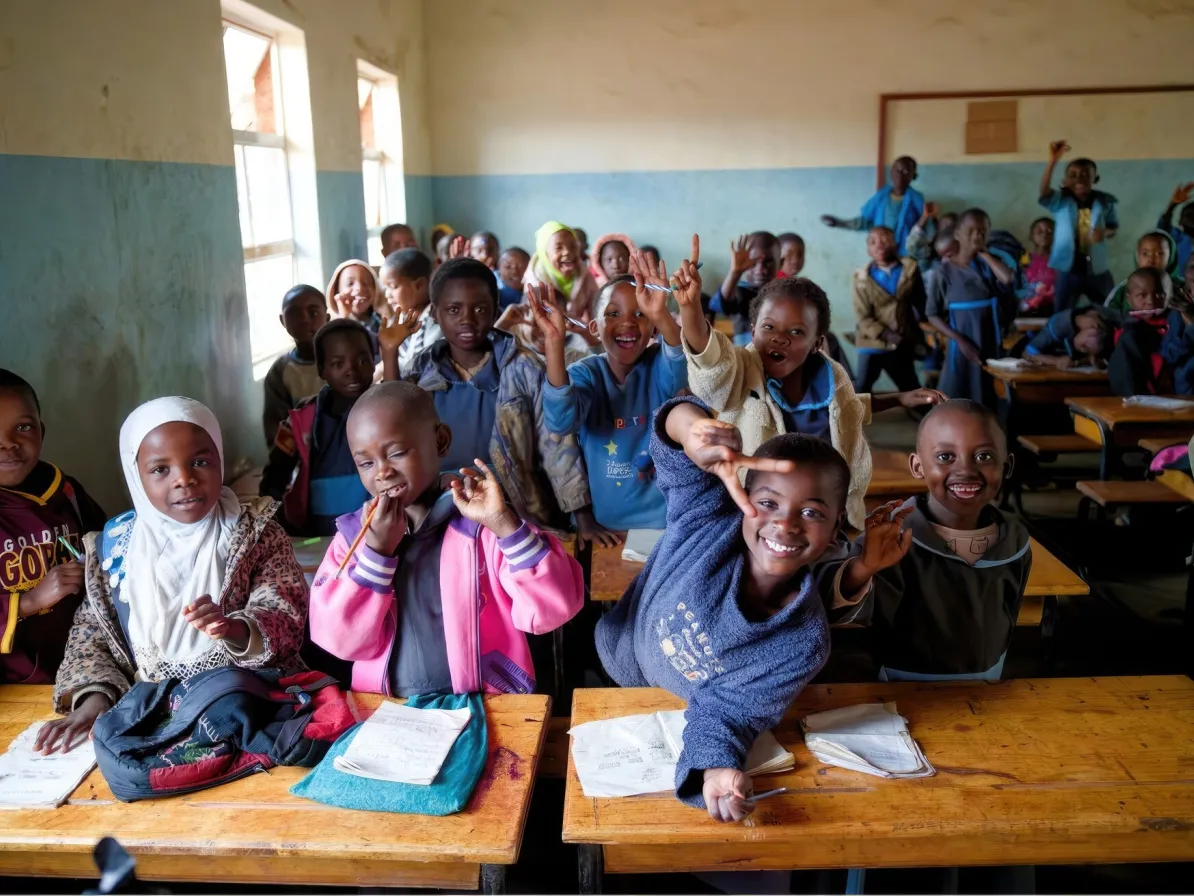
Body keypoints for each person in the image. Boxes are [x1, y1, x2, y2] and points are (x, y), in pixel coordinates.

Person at [596, 394, 887, 820]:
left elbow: (730, 711)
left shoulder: (803, 642)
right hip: (619, 667)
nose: (785, 524)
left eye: (811, 512)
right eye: (768, 503)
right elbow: (674, 438)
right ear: (741, 495)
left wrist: (717, 768)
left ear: (837, 526)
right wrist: (691, 426)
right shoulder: (706, 516)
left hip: (677, 724)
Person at [37, 397, 307, 753]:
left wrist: (235, 628)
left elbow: (285, 609)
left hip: (250, 707)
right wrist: (93, 697)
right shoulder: (116, 549)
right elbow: (91, 636)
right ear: (136, 476)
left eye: (199, 461)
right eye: (161, 469)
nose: (184, 479)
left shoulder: (255, 532)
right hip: (154, 718)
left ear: (220, 460)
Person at [307, 382, 584, 696]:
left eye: (396, 453)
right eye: (366, 463)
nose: (382, 473)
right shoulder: (355, 539)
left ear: (440, 441)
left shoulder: (482, 524)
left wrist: (504, 524)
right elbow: (337, 639)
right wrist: (376, 554)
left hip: (487, 705)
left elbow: (556, 607)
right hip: (389, 712)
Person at [679, 238, 942, 530]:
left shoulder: (832, 376)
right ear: (753, 331)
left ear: (817, 344)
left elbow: (850, 409)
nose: (779, 338)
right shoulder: (744, 370)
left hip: (823, 510)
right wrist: (691, 310)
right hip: (759, 513)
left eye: (796, 331)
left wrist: (899, 398)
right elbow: (713, 363)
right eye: (768, 327)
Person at [828, 400, 1029, 681]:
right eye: (946, 457)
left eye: (984, 456)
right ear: (917, 466)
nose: (966, 471)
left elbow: (1008, 615)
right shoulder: (888, 537)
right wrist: (862, 568)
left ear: (1006, 466)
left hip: (987, 691)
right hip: (904, 694)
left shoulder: (1015, 539)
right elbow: (848, 619)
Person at [404, 258, 591, 531]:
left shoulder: (523, 366)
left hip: (514, 512)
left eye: (480, 308)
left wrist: (581, 514)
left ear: (495, 311)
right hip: (439, 516)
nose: (467, 319)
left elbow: (556, 442)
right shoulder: (419, 373)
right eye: (454, 309)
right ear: (435, 313)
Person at [536, 251, 688, 544]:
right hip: (606, 527)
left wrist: (661, 313)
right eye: (613, 314)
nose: (628, 323)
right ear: (594, 328)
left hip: (663, 524)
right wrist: (554, 343)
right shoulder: (586, 373)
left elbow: (680, 358)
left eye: (640, 315)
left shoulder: (659, 365)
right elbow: (560, 421)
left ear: (653, 328)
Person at [0, 370, 107, 686]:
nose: (8, 444)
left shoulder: (66, 492)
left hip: (86, 665)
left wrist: (100, 565)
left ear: (41, 432)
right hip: (16, 685)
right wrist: (30, 600)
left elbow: (107, 545)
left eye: (23, 427)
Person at [260, 320, 374, 536]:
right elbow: (276, 473)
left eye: (362, 360)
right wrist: (273, 520)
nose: (352, 371)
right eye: (338, 364)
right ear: (321, 369)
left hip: (373, 527)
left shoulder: (384, 411)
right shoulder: (301, 420)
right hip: (317, 531)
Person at [926, 208, 1016, 406]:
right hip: (963, 343)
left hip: (990, 340)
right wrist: (960, 341)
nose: (977, 235)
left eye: (983, 231)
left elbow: (1007, 278)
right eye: (971, 230)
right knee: (956, 397)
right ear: (957, 234)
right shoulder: (943, 272)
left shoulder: (988, 265)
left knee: (990, 396)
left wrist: (982, 252)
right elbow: (932, 314)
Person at [1039, 140, 1119, 312]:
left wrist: (1104, 233)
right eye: (1073, 175)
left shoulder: (1105, 201)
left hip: (1096, 268)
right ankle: (1063, 339)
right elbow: (1044, 192)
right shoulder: (1061, 201)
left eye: (1085, 175)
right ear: (1065, 180)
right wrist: (1053, 160)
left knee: (1109, 309)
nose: (1079, 179)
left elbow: (1113, 227)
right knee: (1062, 312)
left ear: (1095, 178)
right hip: (1068, 269)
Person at [852, 226, 927, 393]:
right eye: (873, 242)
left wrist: (918, 336)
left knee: (911, 388)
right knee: (862, 390)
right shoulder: (862, 278)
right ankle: (853, 419)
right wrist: (888, 335)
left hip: (902, 339)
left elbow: (920, 303)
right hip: (873, 341)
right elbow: (863, 317)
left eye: (884, 239)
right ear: (868, 250)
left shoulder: (909, 269)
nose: (879, 244)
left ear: (895, 243)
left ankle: (926, 417)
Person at [263, 285, 328, 447]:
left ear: (326, 318)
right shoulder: (280, 371)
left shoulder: (344, 359)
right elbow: (275, 428)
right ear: (282, 321)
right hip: (302, 458)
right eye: (294, 314)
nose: (304, 320)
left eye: (313, 313)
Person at [822, 156, 925, 256]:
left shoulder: (917, 200)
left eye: (906, 172)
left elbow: (926, 230)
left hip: (906, 255)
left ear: (913, 176)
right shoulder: (881, 197)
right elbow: (865, 222)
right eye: (896, 169)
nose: (900, 175)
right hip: (881, 254)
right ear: (891, 172)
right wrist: (840, 223)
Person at [1107, 268, 1181, 396]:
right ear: (1129, 299)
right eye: (1142, 295)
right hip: (1141, 398)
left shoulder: (1175, 321)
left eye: (1159, 294)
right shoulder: (1127, 329)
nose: (1151, 301)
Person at [376, 248, 440, 378]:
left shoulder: (436, 321)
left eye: (393, 286)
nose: (388, 294)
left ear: (420, 285)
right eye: (385, 288)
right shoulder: (396, 322)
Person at [523, 222, 599, 327]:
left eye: (573, 246)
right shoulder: (534, 281)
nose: (567, 252)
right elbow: (529, 327)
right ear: (544, 253)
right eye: (558, 248)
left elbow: (596, 315)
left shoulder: (584, 274)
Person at [711, 231, 780, 346]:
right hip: (744, 357)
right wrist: (735, 273)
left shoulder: (783, 295)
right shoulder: (741, 291)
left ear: (780, 263)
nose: (760, 270)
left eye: (768, 262)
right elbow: (720, 305)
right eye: (753, 263)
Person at [1105, 230, 1181, 314]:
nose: (1151, 260)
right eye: (1145, 254)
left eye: (1159, 253)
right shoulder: (1123, 290)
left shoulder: (1182, 288)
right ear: (1137, 256)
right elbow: (1108, 315)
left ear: (1171, 256)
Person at [1022, 306, 1112, 370]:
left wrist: (1085, 360)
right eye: (1084, 345)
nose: (1083, 349)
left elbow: (1101, 361)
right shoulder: (1061, 326)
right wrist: (1056, 361)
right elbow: (1028, 351)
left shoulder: (1103, 332)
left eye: (1088, 350)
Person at [326, 258, 383, 338]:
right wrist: (344, 319)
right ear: (336, 291)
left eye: (366, 283)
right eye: (350, 283)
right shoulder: (329, 326)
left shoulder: (384, 321)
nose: (359, 288)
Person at [1019, 217, 1057, 315]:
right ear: (1031, 236)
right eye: (1040, 231)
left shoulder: (1060, 261)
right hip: (1028, 309)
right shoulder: (1025, 258)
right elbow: (1019, 282)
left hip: (1054, 309)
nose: (1044, 235)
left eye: (1050, 232)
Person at [1158, 182, 1194, 275]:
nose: (1192, 220)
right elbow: (1163, 229)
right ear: (1180, 222)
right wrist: (1172, 205)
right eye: (1189, 216)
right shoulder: (1178, 239)